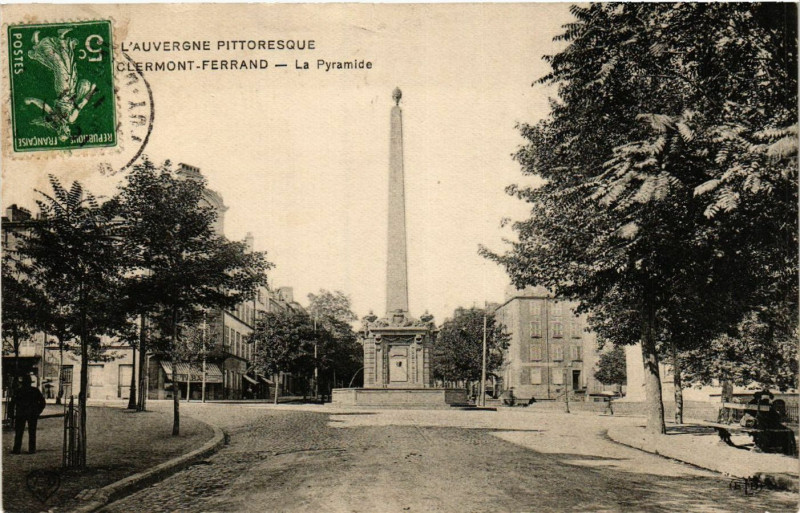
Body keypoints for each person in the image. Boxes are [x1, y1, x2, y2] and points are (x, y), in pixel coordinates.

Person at [11, 374, 46, 454]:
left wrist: (12, 414)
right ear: (30, 382)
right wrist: (38, 411)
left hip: (20, 414)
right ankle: (32, 449)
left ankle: (16, 449)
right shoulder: (35, 391)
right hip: (32, 414)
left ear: (23, 383)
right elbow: (42, 402)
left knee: (19, 432)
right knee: (32, 432)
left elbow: (12, 403)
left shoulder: (18, 391)